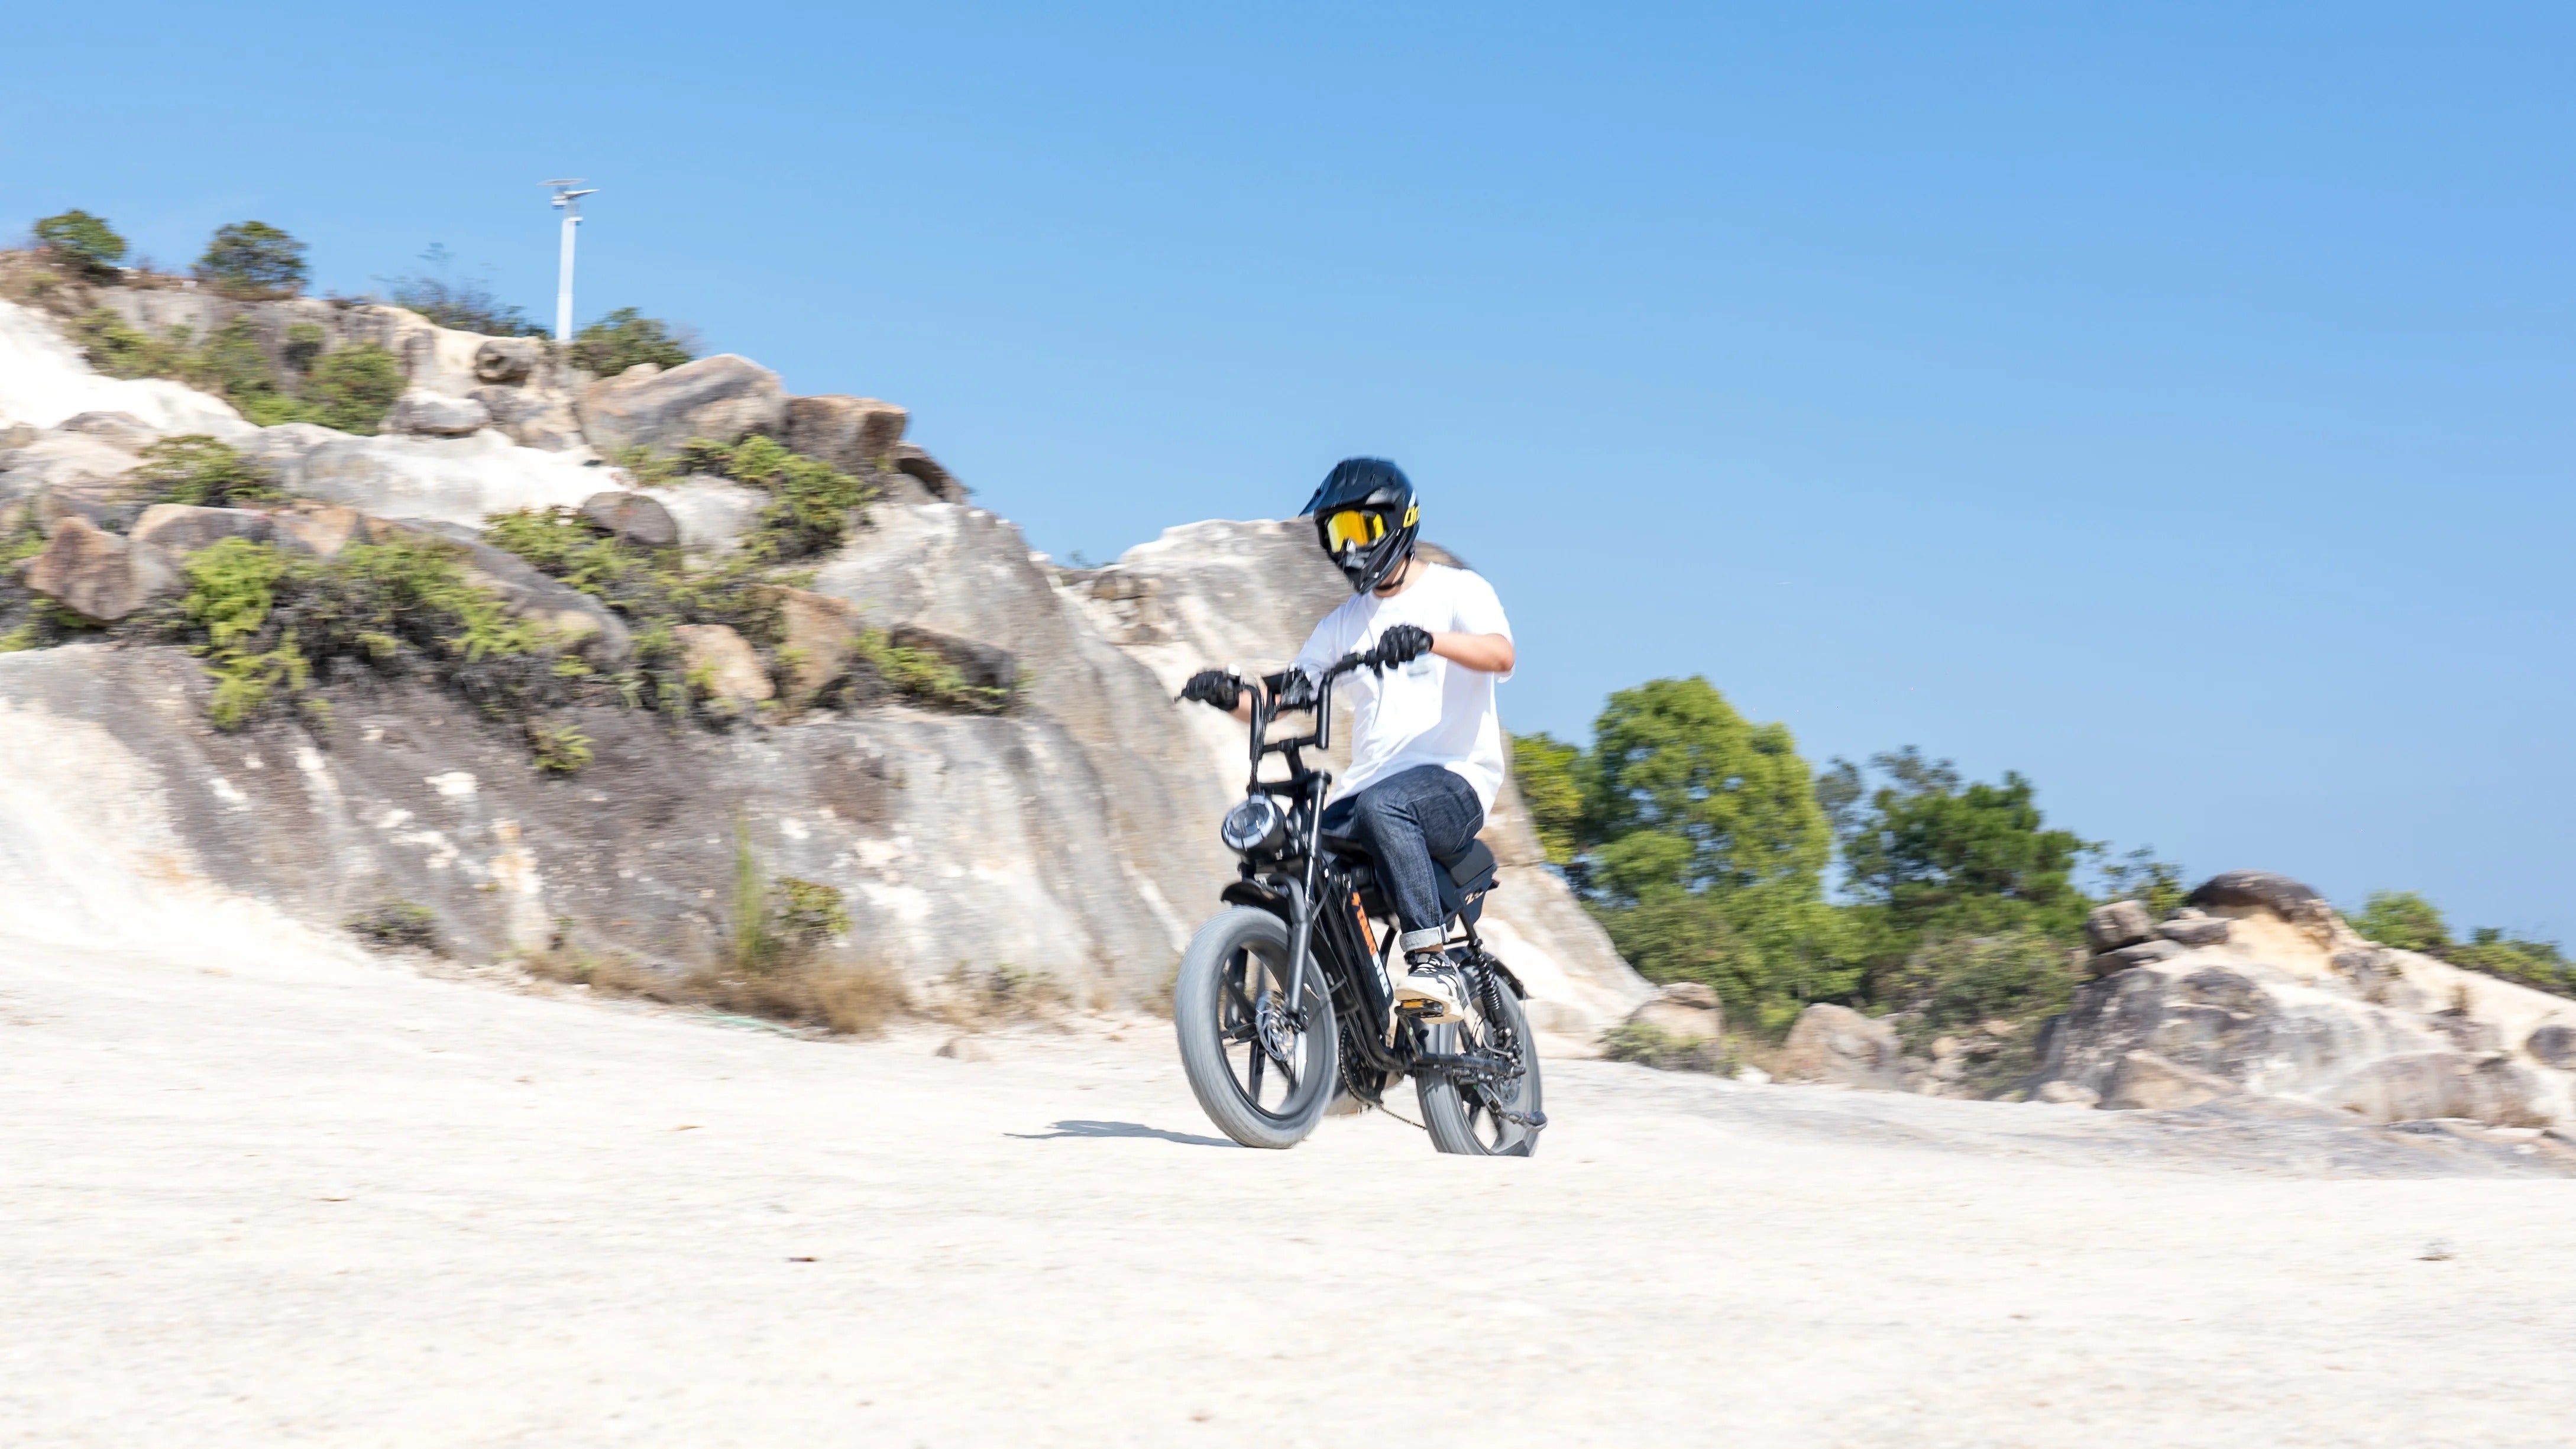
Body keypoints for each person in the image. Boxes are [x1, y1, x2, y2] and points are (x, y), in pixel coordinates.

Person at [1178, 458, 1516, 1023]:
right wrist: (1226, 693)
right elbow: (1282, 696)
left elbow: (1501, 655)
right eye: (1338, 532)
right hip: (1369, 791)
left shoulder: (1458, 590)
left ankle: (1431, 961)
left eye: (1362, 527)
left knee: (1387, 806)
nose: (1350, 546)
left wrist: (1429, 640)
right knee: (1294, 848)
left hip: (1455, 780)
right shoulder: (1342, 624)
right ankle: (1344, 1014)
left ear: (1399, 521)